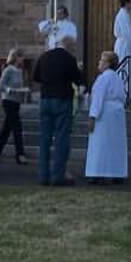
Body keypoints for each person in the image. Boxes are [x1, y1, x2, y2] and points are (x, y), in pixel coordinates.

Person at [32, 36, 83, 187]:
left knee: (44, 139)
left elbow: (36, 77)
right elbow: (78, 79)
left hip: (46, 98)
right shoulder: (69, 59)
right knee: (61, 139)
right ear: (70, 46)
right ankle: (58, 175)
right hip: (62, 99)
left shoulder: (44, 56)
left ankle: (43, 175)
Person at [85, 51, 128, 183]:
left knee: (101, 143)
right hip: (117, 113)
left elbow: (98, 98)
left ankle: (98, 172)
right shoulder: (118, 78)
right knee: (116, 144)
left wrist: (93, 116)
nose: (99, 63)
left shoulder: (103, 78)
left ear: (108, 64)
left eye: (102, 60)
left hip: (104, 113)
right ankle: (117, 172)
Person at [0, 48, 28, 165]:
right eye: (20, 56)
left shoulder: (20, 71)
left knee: (7, 128)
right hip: (8, 100)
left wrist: (23, 91)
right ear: (15, 57)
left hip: (16, 101)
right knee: (17, 127)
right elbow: (1, 84)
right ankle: (20, 154)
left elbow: (20, 85)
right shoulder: (8, 70)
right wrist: (9, 89)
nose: (22, 59)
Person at [112, 0, 131, 77]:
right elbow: (127, 33)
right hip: (125, 45)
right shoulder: (123, 15)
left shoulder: (125, 14)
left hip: (126, 43)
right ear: (126, 3)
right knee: (124, 68)